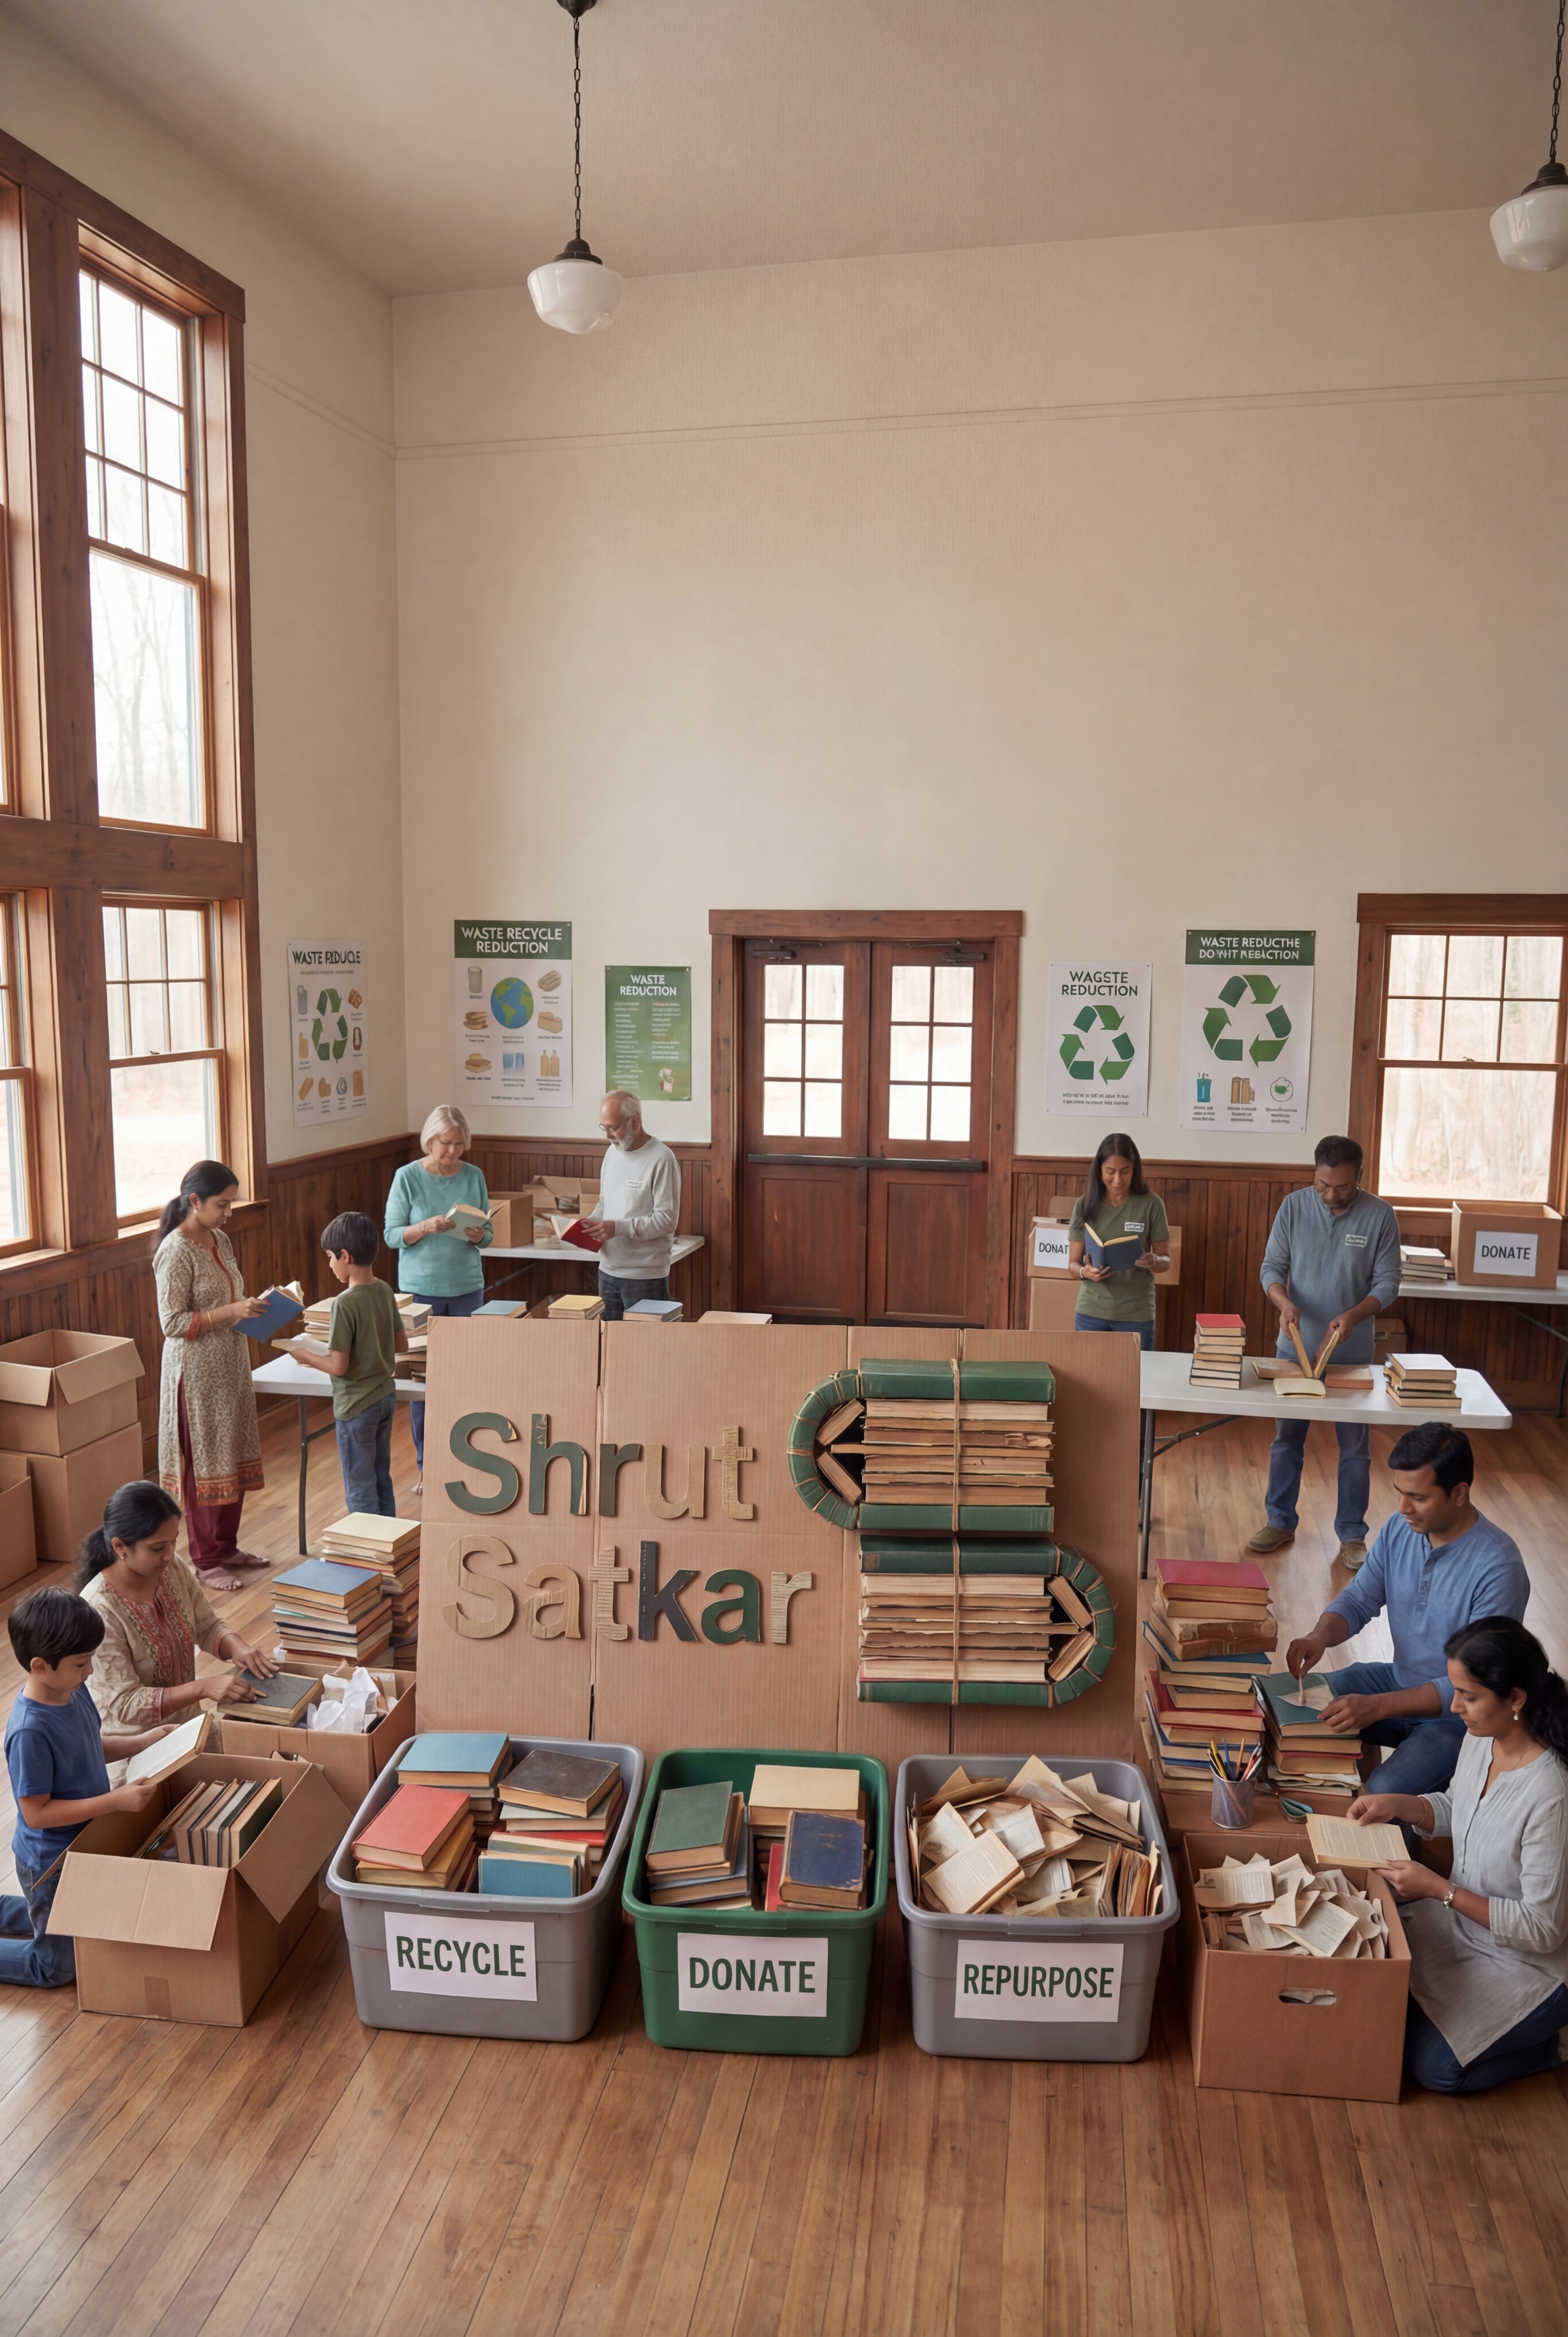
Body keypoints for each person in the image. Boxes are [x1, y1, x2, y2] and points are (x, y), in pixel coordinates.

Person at [1352, 1617, 1568, 2094]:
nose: (1453, 1707)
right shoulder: (1479, 1739)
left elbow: (1543, 1928)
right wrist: (1398, 1803)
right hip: (1461, 1922)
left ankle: (1546, 2045)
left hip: (1530, 1963)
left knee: (1433, 2068)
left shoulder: (1551, 1792)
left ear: (1515, 1698)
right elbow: (1459, 1806)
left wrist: (1439, 1889)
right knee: (1371, 1993)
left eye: (1467, 1697)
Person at [1284, 1425, 1529, 1814]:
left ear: (1460, 1493)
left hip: (1458, 1721)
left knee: (1385, 1790)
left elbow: (1472, 1688)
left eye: (1418, 1497)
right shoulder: (1402, 1529)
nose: (1403, 1509)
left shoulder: (1499, 1569)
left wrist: (1377, 1706)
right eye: (1401, 1493)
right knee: (1293, 1714)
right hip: (1397, 1680)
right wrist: (1318, 1637)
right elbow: (1361, 1598)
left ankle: (1398, 1868)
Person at [3, 1585, 172, 1988]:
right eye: (82, 1663)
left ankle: (34, 1916)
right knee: (56, 1968)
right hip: (50, 1865)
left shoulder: (71, 1691)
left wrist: (142, 1742)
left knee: (76, 1924)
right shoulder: (30, 1730)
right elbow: (37, 1814)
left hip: (82, 1845)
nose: (91, 1672)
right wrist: (113, 1802)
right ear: (41, 1666)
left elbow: (88, 1746)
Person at [1251, 1133, 1401, 1570]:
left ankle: (1352, 1535)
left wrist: (1354, 1315)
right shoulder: (1294, 1207)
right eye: (1322, 1186)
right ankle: (1279, 1522)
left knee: (1354, 1447)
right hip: (1295, 1346)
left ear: (1361, 1177)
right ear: (1313, 1174)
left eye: (1342, 1187)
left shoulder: (1381, 1216)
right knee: (1286, 1440)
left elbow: (1388, 1283)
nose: (1331, 1195)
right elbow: (1271, 1268)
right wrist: (1284, 1303)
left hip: (1351, 1351)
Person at [78, 1480, 279, 1731]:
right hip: (133, 1746)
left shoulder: (171, 1568)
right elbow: (125, 1705)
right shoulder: (98, 1609)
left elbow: (208, 1626)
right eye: (157, 1548)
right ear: (120, 1547)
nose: (170, 1554)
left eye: (174, 1541)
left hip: (188, 1725)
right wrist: (203, 1688)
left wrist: (239, 1648)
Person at [153, 1159, 269, 1591]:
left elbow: (229, 1297)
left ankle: (227, 1546)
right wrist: (232, 1312)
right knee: (204, 1465)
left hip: (231, 1364)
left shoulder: (219, 1239)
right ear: (195, 1201)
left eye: (231, 1204)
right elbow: (172, 1323)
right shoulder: (175, 1250)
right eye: (223, 1204)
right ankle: (205, 1560)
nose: (229, 1213)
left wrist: (251, 1308)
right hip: (196, 1374)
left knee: (231, 1456)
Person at [384, 1106, 492, 1489]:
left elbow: (488, 1231)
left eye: (460, 1145)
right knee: (423, 1380)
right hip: (420, 1288)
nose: (453, 1152)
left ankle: (470, 1461)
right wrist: (425, 1227)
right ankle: (428, 1468)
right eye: (446, 1144)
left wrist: (481, 1235)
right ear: (430, 1140)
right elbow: (393, 1236)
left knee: (469, 1377)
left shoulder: (473, 1175)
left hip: (467, 1286)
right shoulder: (408, 1178)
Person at [290, 1211, 408, 1516]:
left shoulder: (344, 1303)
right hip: (385, 1398)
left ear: (345, 1256)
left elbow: (338, 1367)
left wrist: (305, 1356)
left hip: (356, 1407)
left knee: (359, 1486)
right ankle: (388, 1545)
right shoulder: (383, 1290)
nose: (330, 1264)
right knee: (382, 1477)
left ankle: (365, 1553)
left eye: (330, 1257)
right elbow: (401, 1345)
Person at [578, 1090, 681, 1322]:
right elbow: (605, 1203)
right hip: (607, 1270)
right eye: (603, 1127)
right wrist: (592, 1223)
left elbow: (666, 1220)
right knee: (611, 1350)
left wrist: (618, 1228)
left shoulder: (662, 1158)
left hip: (645, 1277)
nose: (607, 1135)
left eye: (613, 1128)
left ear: (635, 1121)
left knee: (646, 1352)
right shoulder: (612, 1153)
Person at [1066, 1134, 1171, 1352]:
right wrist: (1086, 1272)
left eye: (1125, 1172)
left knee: (1135, 1381)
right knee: (1092, 1380)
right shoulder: (1085, 1205)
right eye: (1110, 1172)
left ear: (1135, 1170)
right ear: (1099, 1171)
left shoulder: (1152, 1204)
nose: (1118, 1180)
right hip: (1092, 1313)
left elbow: (1166, 1262)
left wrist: (1155, 1260)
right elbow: (1072, 1266)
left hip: (1137, 1314)